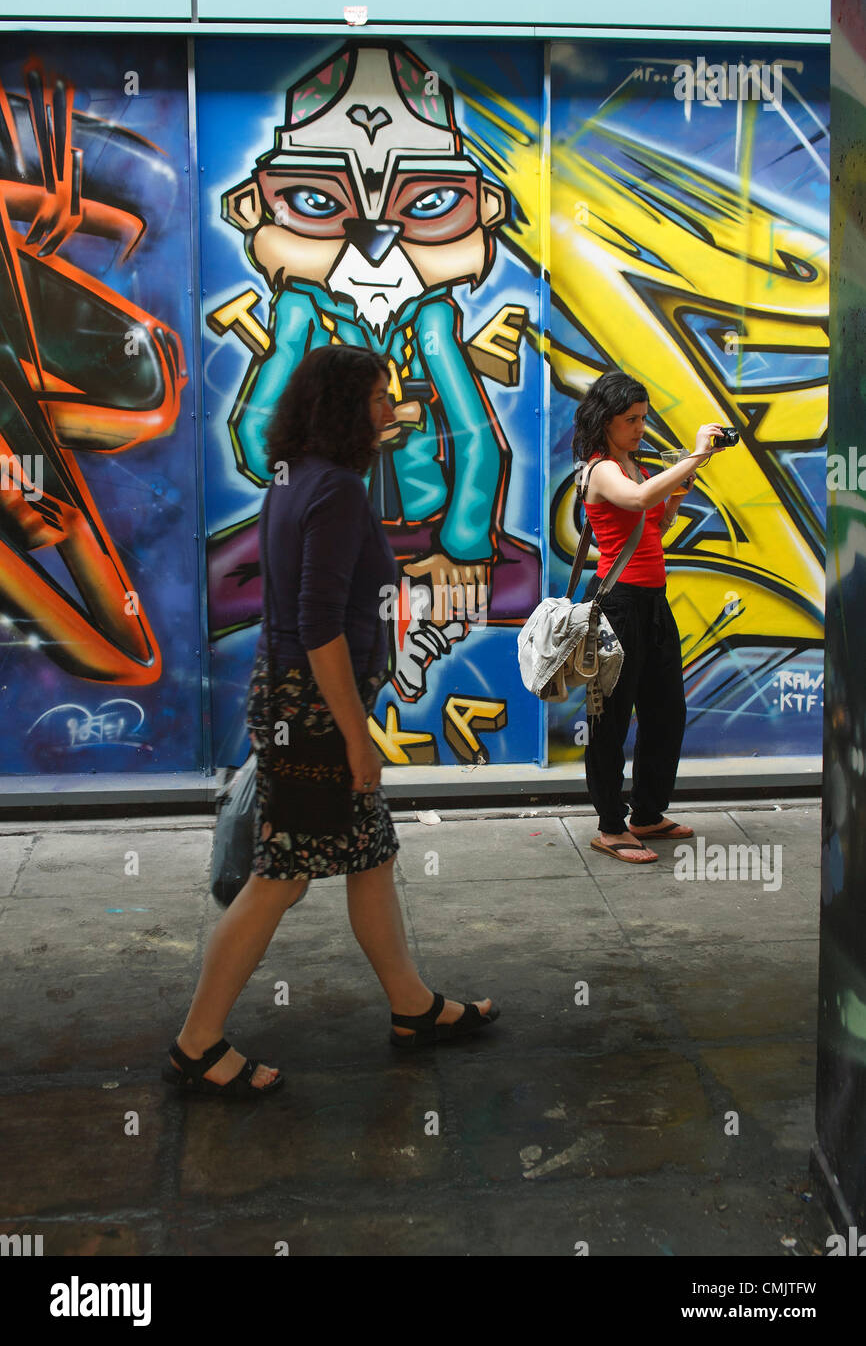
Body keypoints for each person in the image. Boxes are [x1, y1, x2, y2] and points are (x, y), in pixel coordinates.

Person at [163, 345, 498, 1098]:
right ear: (345, 407)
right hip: (313, 712)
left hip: (292, 698)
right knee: (279, 879)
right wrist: (356, 738)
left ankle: (412, 1007)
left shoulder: (295, 480)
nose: (393, 409)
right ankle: (197, 1041)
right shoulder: (339, 491)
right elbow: (319, 626)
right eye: (380, 397)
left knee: (370, 854)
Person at [572, 370, 729, 864]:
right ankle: (611, 825)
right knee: (612, 717)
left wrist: (679, 490)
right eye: (630, 420)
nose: (640, 428)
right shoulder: (600, 469)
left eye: (643, 418)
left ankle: (646, 813)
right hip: (618, 604)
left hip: (652, 602)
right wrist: (696, 455)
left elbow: (654, 523)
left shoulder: (631, 465)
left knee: (666, 711)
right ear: (605, 421)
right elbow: (638, 501)